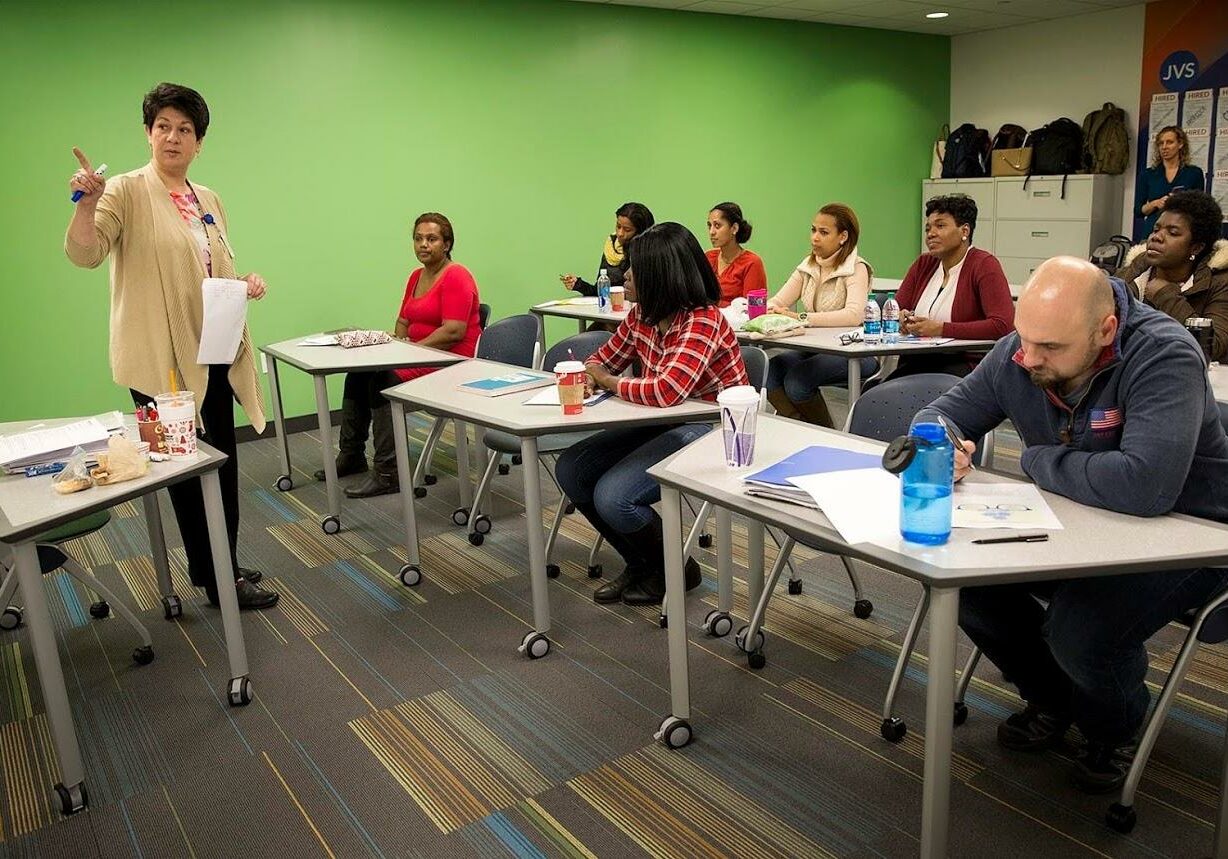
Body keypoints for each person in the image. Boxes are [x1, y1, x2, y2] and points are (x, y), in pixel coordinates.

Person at [915, 256, 1228, 793]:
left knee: (1082, 630)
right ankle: (1055, 698)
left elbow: (1145, 487)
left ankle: (1113, 727)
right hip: (1078, 520)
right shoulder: (1025, 345)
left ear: (1105, 330)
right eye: (1023, 339)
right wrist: (942, 444)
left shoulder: (1165, 354)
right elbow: (935, 415)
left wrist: (1035, 462)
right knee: (964, 582)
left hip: (1191, 538)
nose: (1028, 358)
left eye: (1050, 349)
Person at [65, 83, 278, 609]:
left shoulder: (207, 198)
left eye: (185, 129)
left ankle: (219, 563)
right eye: (164, 126)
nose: (173, 137)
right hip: (161, 365)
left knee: (221, 463)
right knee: (185, 472)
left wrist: (243, 281)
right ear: (148, 133)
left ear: (199, 142)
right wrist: (86, 204)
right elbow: (86, 254)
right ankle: (215, 578)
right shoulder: (124, 191)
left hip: (213, 352)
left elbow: (211, 266)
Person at [555, 222, 748, 606]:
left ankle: (676, 569)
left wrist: (607, 381)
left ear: (661, 276)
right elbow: (602, 359)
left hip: (711, 428)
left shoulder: (702, 320)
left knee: (614, 496)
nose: (623, 275)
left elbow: (665, 390)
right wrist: (596, 375)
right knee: (572, 469)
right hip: (662, 419)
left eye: (633, 269)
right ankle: (644, 564)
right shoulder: (642, 314)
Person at [318, 213, 481, 498]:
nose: (423, 245)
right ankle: (352, 454)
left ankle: (388, 472)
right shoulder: (416, 276)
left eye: (431, 239)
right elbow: (403, 321)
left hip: (449, 361)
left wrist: (411, 350)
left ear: (447, 244)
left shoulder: (457, 275)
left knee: (384, 380)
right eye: (418, 239)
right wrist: (400, 343)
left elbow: (454, 332)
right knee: (358, 376)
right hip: (417, 354)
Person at [764, 203, 875, 427]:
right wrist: (764, 311)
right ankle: (799, 427)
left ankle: (827, 433)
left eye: (824, 232)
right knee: (770, 372)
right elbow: (778, 301)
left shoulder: (856, 268)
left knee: (798, 381)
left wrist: (802, 318)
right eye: (813, 230)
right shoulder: (808, 266)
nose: (815, 238)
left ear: (843, 236)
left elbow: (854, 315)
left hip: (852, 352)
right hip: (813, 349)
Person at [890, 194, 1014, 378]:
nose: (931, 233)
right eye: (928, 228)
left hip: (965, 365)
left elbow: (1002, 326)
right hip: (916, 360)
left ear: (965, 231)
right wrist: (899, 316)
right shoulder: (924, 264)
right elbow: (894, 308)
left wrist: (941, 329)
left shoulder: (984, 264)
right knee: (872, 392)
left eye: (940, 226)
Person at [1116, 190, 1228, 363]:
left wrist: (1166, 295)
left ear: (1196, 248)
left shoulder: (1219, 282)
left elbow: (1214, 348)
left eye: (1173, 233)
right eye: (1156, 229)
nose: (1156, 237)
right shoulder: (1132, 273)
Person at [560, 202, 654, 296]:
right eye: (618, 226)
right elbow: (600, 292)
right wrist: (578, 284)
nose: (620, 233)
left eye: (627, 230)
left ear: (641, 232)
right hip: (613, 307)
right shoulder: (611, 248)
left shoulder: (650, 253)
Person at [1134, 126, 1206, 241]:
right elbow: (1138, 211)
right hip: (1153, 233)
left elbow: (1200, 209)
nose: (1164, 147)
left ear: (1180, 144)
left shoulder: (1194, 173)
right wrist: (1155, 203)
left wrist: (1181, 202)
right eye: (1161, 143)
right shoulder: (1148, 174)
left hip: (1182, 234)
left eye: (1169, 142)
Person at [705, 202, 767, 307]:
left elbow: (754, 309)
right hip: (708, 320)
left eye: (717, 226)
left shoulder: (752, 263)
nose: (711, 232)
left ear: (734, 228)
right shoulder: (708, 257)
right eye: (709, 226)